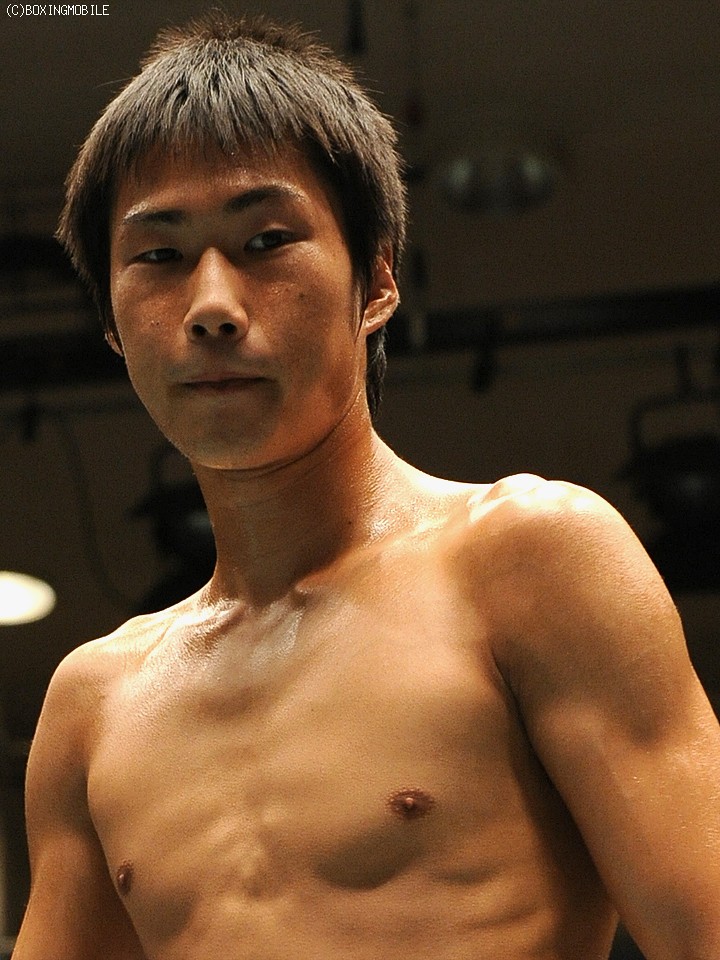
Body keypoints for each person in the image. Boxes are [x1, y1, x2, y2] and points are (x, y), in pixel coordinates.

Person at [13, 12, 720, 960]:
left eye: (266, 240)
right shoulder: (93, 704)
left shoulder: (526, 562)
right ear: (111, 321)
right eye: (160, 256)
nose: (213, 306)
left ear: (377, 280)